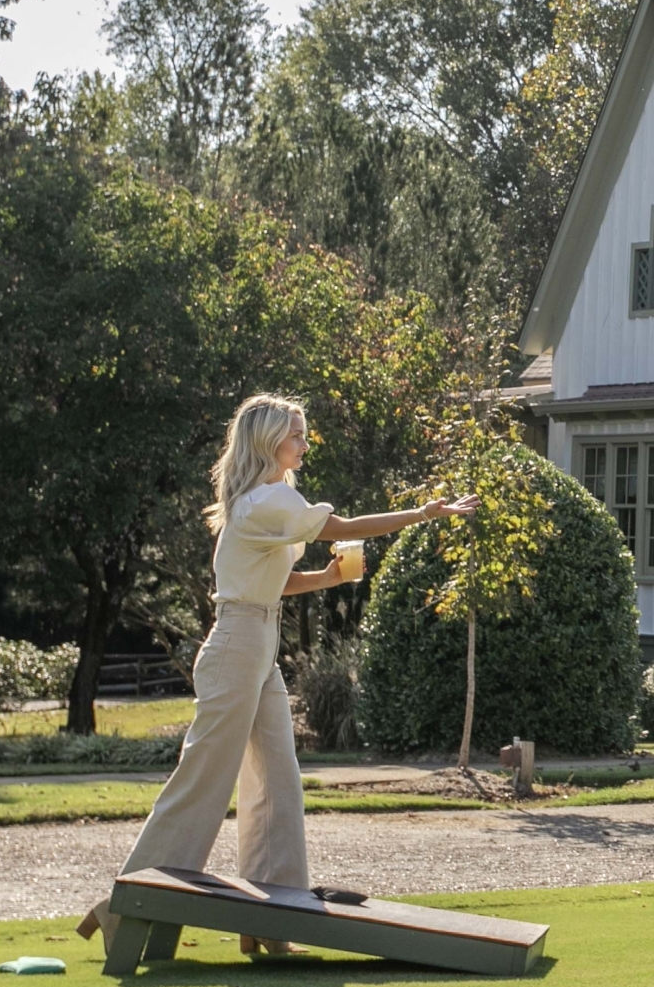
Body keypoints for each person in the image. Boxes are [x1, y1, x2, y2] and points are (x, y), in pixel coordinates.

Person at [78, 392, 477, 957]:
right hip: (237, 645)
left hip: (257, 645)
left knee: (278, 783)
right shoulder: (265, 501)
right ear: (268, 441)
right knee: (203, 784)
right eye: (296, 434)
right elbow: (342, 524)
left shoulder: (274, 499)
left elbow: (278, 583)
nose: (304, 443)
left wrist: (327, 579)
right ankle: (127, 903)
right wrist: (424, 513)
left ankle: (272, 916)